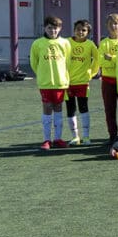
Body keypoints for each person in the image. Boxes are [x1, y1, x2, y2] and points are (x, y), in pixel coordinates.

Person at [30, 15, 72, 150]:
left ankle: (58, 139)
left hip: (60, 83)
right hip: (45, 83)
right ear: (45, 28)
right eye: (49, 28)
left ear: (59, 29)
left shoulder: (65, 43)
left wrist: (64, 77)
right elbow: (34, 63)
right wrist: (43, 75)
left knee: (58, 108)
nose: (52, 31)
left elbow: (68, 62)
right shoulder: (37, 43)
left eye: (55, 28)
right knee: (47, 108)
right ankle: (47, 140)